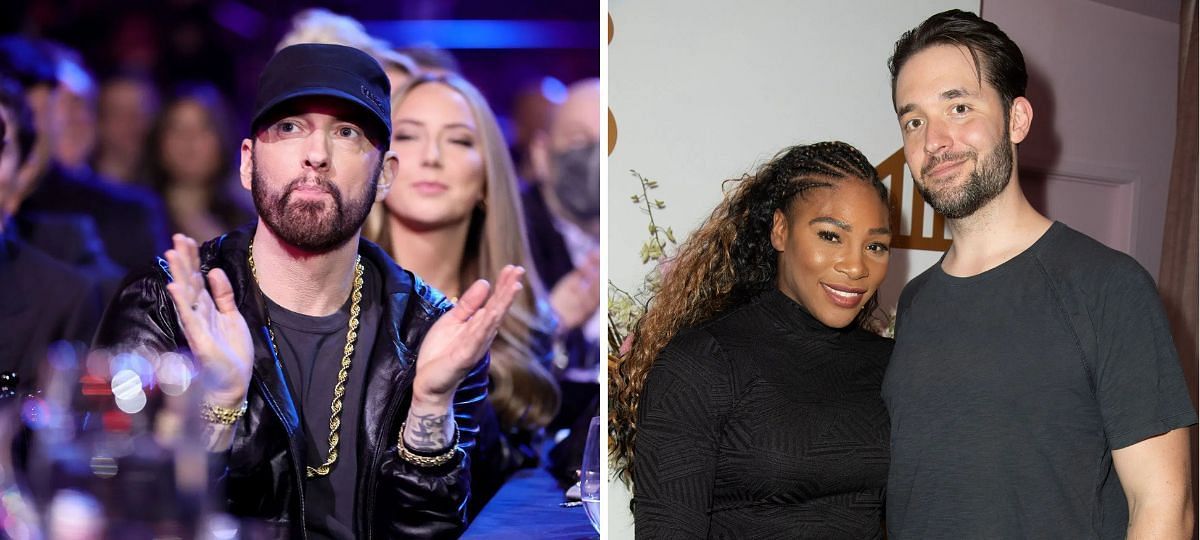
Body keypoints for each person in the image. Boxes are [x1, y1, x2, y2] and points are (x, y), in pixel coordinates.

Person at [92, 43, 524, 539]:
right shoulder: (166, 304)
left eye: (346, 132)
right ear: (248, 163)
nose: (316, 155)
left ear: (385, 176)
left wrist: (429, 406)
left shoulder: (430, 334)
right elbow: (126, 515)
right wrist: (221, 403)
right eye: (290, 127)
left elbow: (427, 531)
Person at [883, 9, 1196, 538]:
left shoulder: (1109, 287)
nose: (934, 140)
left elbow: (1164, 508)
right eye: (913, 121)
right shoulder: (914, 302)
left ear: (1017, 120)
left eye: (958, 107)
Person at [612, 141, 894, 538]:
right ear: (780, 230)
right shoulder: (701, 364)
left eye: (875, 246)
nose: (855, 266)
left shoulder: (892, 365)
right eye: (831, 236)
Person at [361, 73, 560, 513]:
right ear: (381, 165)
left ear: (489, 176)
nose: (431, 157)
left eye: (459, 141)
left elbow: (511, 484)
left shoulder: (524, 318)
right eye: (409, 136)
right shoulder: (340, 299)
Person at [143, 83, 254, 240]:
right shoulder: (134, 216)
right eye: (177, 128)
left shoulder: (246, 224)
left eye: (203, 128)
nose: (189, 140)